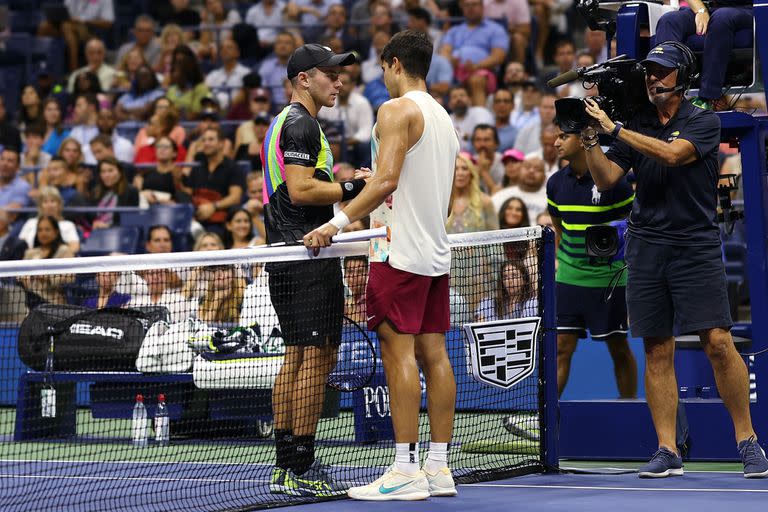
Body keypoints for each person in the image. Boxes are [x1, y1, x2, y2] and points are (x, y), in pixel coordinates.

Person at [581, 41, 768, 478]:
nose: (652, 77)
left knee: (719, 343)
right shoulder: (639, 122)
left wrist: (615, 129)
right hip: (647, 247)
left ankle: (748, 441)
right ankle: (668, 449)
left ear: (682, 78)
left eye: (662, 71)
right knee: (657, 349)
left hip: (695, 246)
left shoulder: (701, 121)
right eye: (649, 70)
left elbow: (672, 154)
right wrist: (590, 138)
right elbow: (608, 179)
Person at [305, 30, 461, 500]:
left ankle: (404, 470)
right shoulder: (442, 117)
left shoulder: (395, 110)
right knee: (435, 355)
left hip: (397, 254)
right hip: (434, 253)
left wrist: (336, 223)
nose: (380, 76)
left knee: (400, 356)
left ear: (394, 63)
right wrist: (382, 187)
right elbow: (440, 198)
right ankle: (438, 468)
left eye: (381, 67)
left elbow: (389, 180)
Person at [261, 43, 359, 497]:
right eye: (329, 74)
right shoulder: (301, 123)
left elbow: (302, 187)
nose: (338, 82)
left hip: (288, 256)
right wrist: (352, 185)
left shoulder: (288, 122)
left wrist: (341, 186)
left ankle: (286, 463)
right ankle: (300, 464)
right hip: (304, 257)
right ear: (304, 79)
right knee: (316, 360)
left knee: (298, 357)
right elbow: (301, 191)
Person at [547, 117, 637, 399]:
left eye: (563, 136)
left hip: (610, 280)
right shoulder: (555, 184)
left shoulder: (618, 185)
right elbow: (559, 228)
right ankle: (548, 418)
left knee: (619, 348)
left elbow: (633, 229)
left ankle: (629, 406)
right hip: (570, 278)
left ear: (581, 138)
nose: (556, 142)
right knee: (562, 347)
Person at [654, 0, 753, 110]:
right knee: (669, 20)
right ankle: (668, 97)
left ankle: (707, 98)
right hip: (710, 8)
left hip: (749, 9)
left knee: (721, 18)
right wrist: (701, 11)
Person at [19, 216, 76, 307]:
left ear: (56, 232)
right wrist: (25, 279)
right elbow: (19, 275)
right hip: (28, 301)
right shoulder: (30, 253)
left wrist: (47, 277)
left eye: (47, 229)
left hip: (54, 302)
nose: (43, 233)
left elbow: (70, 277)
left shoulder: (64, 251)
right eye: (40, 230)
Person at [19, 186, 81, 254]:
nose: (49, 205)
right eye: (45, 202)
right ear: (40, 205)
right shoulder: (30, 223)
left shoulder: (68, 225)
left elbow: (75, 247)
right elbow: (20, 246)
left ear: (59, 204)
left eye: (52, 201)